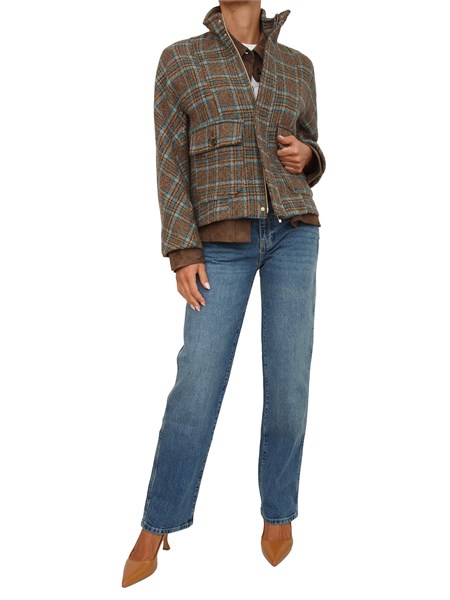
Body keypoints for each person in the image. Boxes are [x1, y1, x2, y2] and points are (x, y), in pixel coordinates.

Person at [122, 0, 326, 587]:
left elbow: (311, 148)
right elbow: (169, 161)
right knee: (198, 382)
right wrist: (183, 250)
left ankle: (279, 511)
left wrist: (310, 156)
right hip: (220, 243)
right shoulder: (180, 60)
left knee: (289, 382)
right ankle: (158, 523)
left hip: (294, 234)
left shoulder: (298, 64)